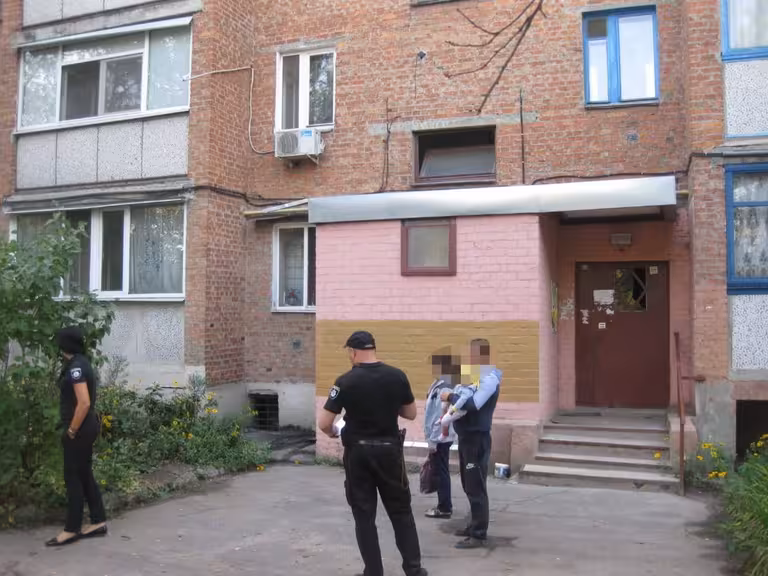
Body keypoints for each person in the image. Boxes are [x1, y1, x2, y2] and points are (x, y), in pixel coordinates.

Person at [318, 331, 427, 576]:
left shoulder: (344, 381)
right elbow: (410, 414)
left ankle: (374, 571)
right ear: (373, 349)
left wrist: (333, 432)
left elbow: (324, 423)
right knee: (401, 512)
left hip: (358, 455)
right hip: (390, 453)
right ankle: (414, 569)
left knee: (364, 516)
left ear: (352, 352)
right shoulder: (397, 376)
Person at [46, 326, 107, 547]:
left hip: (79, 429)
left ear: (64, 345)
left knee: (72, 477)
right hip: (85, 427)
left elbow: (84, 403)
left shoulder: (76, 368)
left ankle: (71, 529)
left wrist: (71, 430)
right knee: (84, 473)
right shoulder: (81, 362)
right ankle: (98, 521)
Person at [441, 338, 502, 550]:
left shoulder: (489, 379)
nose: (469, 359)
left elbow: (473, 404)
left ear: (482, 356)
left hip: (477, 439)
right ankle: (472, 525)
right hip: (467, 438)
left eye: (473, 355)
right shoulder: (476, 378)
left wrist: (450, 395)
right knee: (468, 484)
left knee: (476, 486)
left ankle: (478, 534)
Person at [422, 348, 458, 519]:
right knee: (441, 469)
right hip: (441, 436)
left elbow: (438, 415)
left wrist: (433, 441)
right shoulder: (440, 383)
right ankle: (444, 505)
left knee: (441, 471)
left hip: (440, 437)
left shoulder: (445, 387)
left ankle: (444, 507)